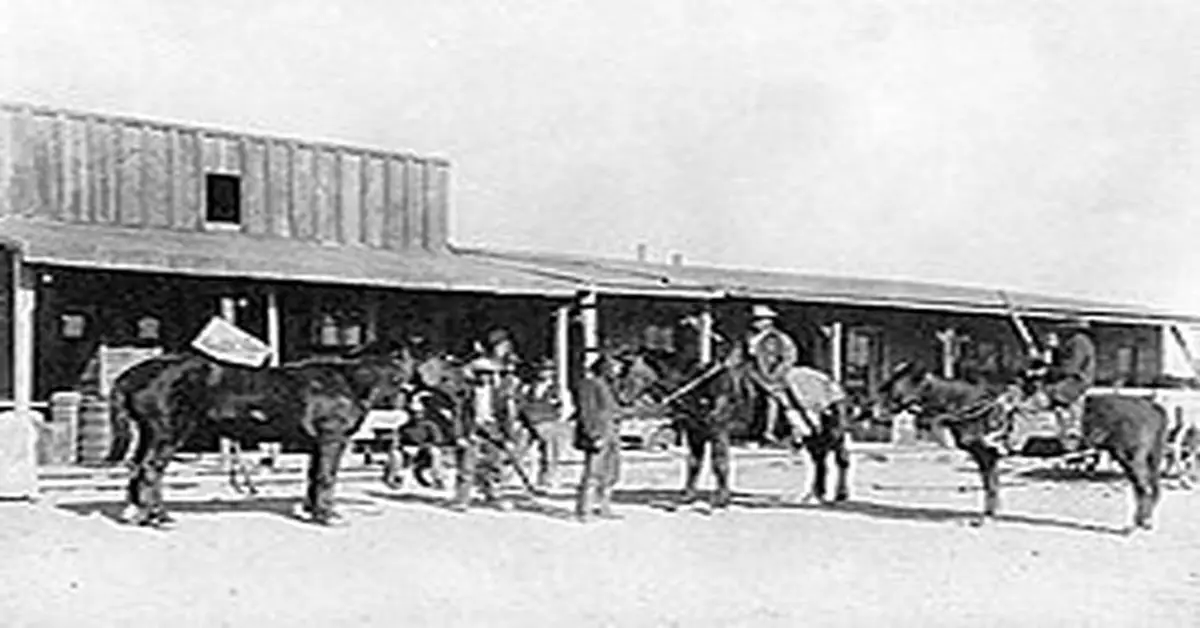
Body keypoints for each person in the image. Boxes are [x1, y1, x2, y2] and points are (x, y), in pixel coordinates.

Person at [985, 318, 1096, 453]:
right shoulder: (1078, 341)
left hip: (1067, 386)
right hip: (1068, 385)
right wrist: (1052, 350)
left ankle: (1013, 445)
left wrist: (1044, 370)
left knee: (1025, 409)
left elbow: (1069, 368)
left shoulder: (1078, 342)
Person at [573, 349, 638, 522]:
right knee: (593, 472)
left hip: (613, 432)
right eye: (615, 366)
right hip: (598, 432)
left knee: (611, 472)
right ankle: (584, 510)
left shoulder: (612, 385)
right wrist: (593, 434)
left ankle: (604, 506)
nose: (618, 370)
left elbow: (618, 409)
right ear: (604, 366)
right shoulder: (589, 383)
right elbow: (587, 411)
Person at [744, 305, 800, 444]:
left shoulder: (780, 338)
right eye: (755, 319)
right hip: (753, 373)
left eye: (759, 319)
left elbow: (789, 357)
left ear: (769, 321)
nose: (756, 323)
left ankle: (775, 431)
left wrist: (775, 374)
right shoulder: (750, 337)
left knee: (778, 401)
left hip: (774, 376)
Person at [516, 358, 574, 491]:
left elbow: (567, 407)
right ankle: (518, 479)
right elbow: (519, 403)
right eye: (541, 370)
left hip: (548, 423)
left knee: (549, 454)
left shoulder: (557, 389)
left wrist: (559, 421)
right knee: (519, 450)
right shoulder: (527, 387)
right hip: (528, 422)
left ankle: (547, 480)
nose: (543, 373)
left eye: (547, 370)